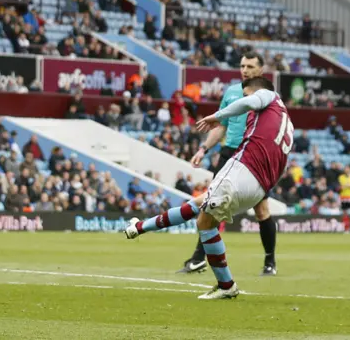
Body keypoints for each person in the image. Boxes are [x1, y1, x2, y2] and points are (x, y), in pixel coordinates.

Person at [124, 77, 293, 299]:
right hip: (260, 187)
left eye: (246, 94)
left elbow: (251, 102)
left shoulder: (268, 96)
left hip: (243, 170)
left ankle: (226, 285)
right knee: (199, 204)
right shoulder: (285, 119)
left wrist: (218, 115)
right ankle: (140, 227)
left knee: (205, 222)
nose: (245, 99)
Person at [178, 52, 279, 277]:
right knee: (210, 205)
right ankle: (197, 259)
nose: (245, 70)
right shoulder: (232, 92)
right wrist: (203, 149)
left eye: (250, 66)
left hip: (252, 156)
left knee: (261, 211)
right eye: (242, 65)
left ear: (261, 70)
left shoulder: (268, 96)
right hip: (228, 153)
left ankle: (270, 262)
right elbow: (221, 125)